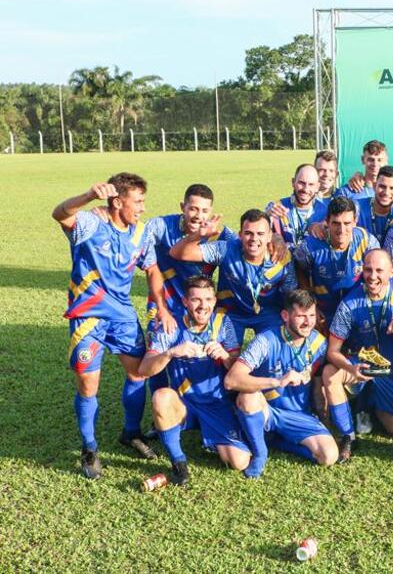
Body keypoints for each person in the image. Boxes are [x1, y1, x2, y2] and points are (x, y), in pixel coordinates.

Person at [53, 173, 175, 478]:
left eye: (144, 201)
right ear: (118, 202)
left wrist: (161, 306)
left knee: (137, 372)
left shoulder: (141, 233)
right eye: (138, 201)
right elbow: (59, 213)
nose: (143, 208)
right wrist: (88, 196)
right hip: (88, 318)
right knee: (88, 385)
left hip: (122, 316)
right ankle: (89, 447)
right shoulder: (92, 224)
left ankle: (130, 432)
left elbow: (152, 269)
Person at [139, 276, 252, 484]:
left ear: (214, 301)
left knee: (239, 462)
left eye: (208, 299)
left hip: (218, 404)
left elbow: (240, 370)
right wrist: (171, 353)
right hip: (185, 404)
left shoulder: (223, 323)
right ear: (185, 302)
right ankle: (179, 464)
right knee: (161, 396)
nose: (203, 306)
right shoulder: (171, 326)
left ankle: (211, 433)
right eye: (196, 300)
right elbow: (144, 369)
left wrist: (227, 357)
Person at [225, 289, 339, 478]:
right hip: (266, 410)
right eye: (301, 316)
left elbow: (321, 381)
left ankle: (277, 440)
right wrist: (277, 381)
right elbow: (231, 380)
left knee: (328, 456)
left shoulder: (319, 343)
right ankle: (261, 453)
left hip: (298, 415)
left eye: (311, 315)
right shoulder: (265, 340)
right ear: (285, 316)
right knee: (248, 396)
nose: (308, 322)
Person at [323, 249, 393, 448]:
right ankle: (348, 437)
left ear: (392, 271)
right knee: (330, 373)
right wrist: (351, 368)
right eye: (368, 270)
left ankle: (366, 402)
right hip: (364, 365)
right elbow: (332, 351)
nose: (373, 276)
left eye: (379, 270)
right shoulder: (349, 304)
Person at [171, 209, 298, 341]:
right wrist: (198, 235)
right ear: (240, 235)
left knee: (274, 348)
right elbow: (177, 253)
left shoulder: (282, 257)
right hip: (231, 312)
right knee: (225, 353)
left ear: (269, 236)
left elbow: (291, 294)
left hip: (267, 313)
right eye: (248, 233)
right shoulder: (226, 249)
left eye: (260, 234)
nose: (254, 239)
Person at [144, 183, 236, 324]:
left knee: (206, 345)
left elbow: (248, 244)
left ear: (210, 211)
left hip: (200, 304)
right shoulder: (161, 226)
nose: (198, 216)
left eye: (205, 211)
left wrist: (275, 241)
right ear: (182, 207)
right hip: (164, 299)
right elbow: (134, 241)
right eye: (193, 209)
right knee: (161, 341)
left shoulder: (219, 234)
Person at [293, 196, 379, 331]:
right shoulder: (311, 246)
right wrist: (310, 307)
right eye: (336, 223)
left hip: (357, 308)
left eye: (347, 223)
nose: (341, 229)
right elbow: (298, 268)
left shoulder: (366, 240)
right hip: (324, 311)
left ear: (355, 221)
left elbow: (380, 268)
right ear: (327, 221)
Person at [266, 163, 328, 248]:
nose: (305, 189)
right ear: (293, 182)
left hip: (313, 260)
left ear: (317, 187)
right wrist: (266, 217)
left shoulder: (325, 212)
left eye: (311, 184)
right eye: (301, 183)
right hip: (285, 259)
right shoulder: (278, 207)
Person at [355, 165, 393, 243]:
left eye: (392, 188)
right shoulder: (356, 208)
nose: (386, 192)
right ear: (374, 186)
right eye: (382, 186)